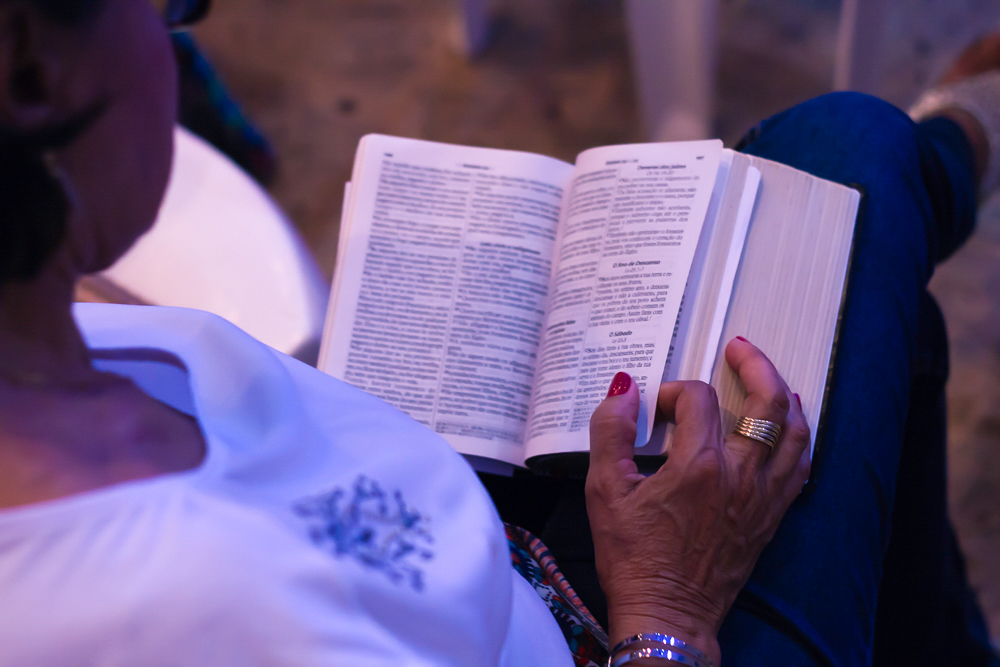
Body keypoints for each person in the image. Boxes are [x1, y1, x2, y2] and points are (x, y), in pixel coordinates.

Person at [0, 1, 993, 665]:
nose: (173, 40)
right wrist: (668, 609)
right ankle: (957, 145)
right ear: (37, 81)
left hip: (500, 557)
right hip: (622, 627)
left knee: (859, 302)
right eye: (169, 11)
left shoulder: (57, 335)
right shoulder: (198, 602)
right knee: (848, 164)